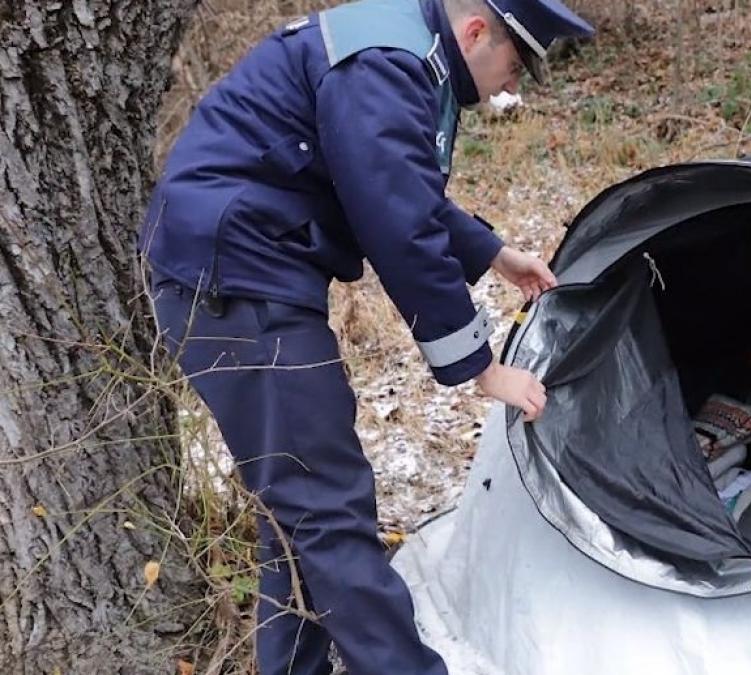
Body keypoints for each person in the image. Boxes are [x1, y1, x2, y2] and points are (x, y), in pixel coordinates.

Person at [139, 0, 594, 672]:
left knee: (298, 513)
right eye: (514, 63)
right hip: (237, 283)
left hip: (234, 272)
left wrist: (494, 254)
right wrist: (480, 367)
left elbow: (392, 180)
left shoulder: (397, 47)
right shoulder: (387, 63)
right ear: (475, 32)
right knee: (327, 509)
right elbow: (397, 221)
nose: (512, 86)